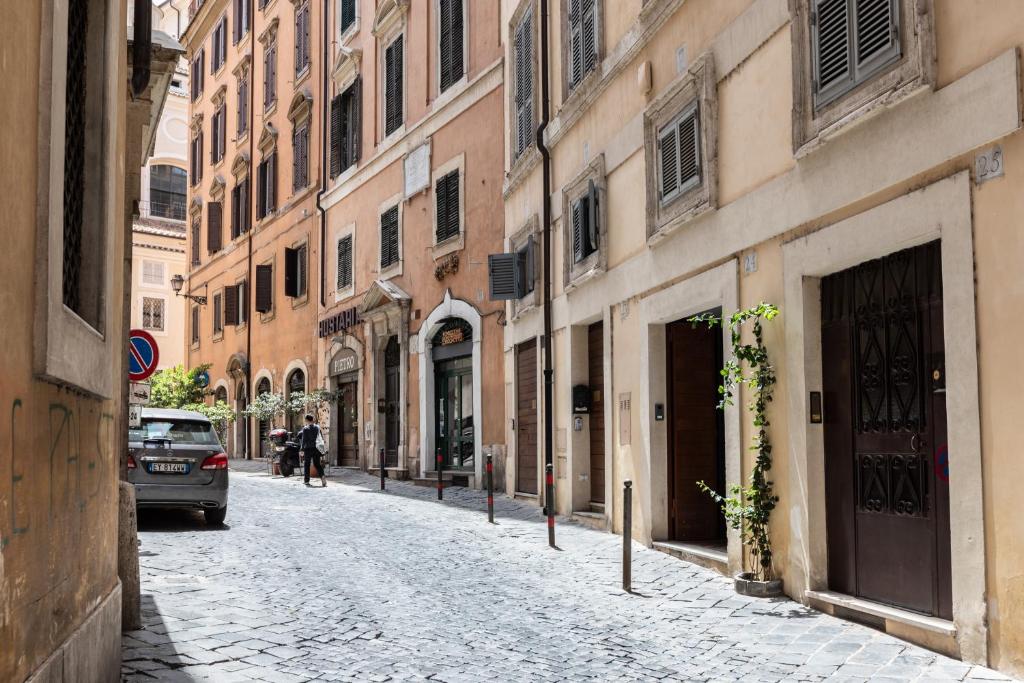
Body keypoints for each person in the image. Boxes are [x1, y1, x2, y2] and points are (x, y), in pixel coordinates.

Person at [297, 414, 327, 488]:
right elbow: (321, 438)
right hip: (316, 448)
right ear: (312, 419)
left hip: (308, 449)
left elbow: (304, 440)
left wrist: (301, 449)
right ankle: (322, 477)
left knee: (307, 464)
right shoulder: (317, 427)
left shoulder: (305, 428)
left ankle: (306, 481)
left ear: (307, 420)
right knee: (317, 464)